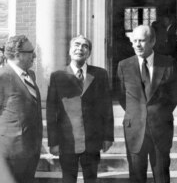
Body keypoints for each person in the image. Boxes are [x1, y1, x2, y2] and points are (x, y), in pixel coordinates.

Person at [117, 25, 177, 183]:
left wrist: (157, 113)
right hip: (135, 129)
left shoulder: (168, 63)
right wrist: (138, 113)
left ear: (152, 42)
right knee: (136, 176)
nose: (137, 45)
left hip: (161, 127)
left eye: (142, 41)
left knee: (162, 176)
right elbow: (121, 96)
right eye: (134, 41)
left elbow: (174, 96)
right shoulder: (123, 65)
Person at [46, 35, 114, 183]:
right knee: (68, 179)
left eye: (85, 46)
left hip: (92, 139)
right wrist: (53, 142)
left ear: (89, 53)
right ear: (69, 51)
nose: (80, 49)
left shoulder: (100, 74)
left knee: (91, 179)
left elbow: (107, 108)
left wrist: (108, 137)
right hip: (67, 140)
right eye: (76, 45)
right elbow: (52, 112)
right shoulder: (57, 76)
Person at [0, 35, 43, 183]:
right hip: (10, 155)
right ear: (18, 55)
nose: (35, 55)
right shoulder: (2, 77)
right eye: (31, 51)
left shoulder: (30, 75)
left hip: (31, 151)